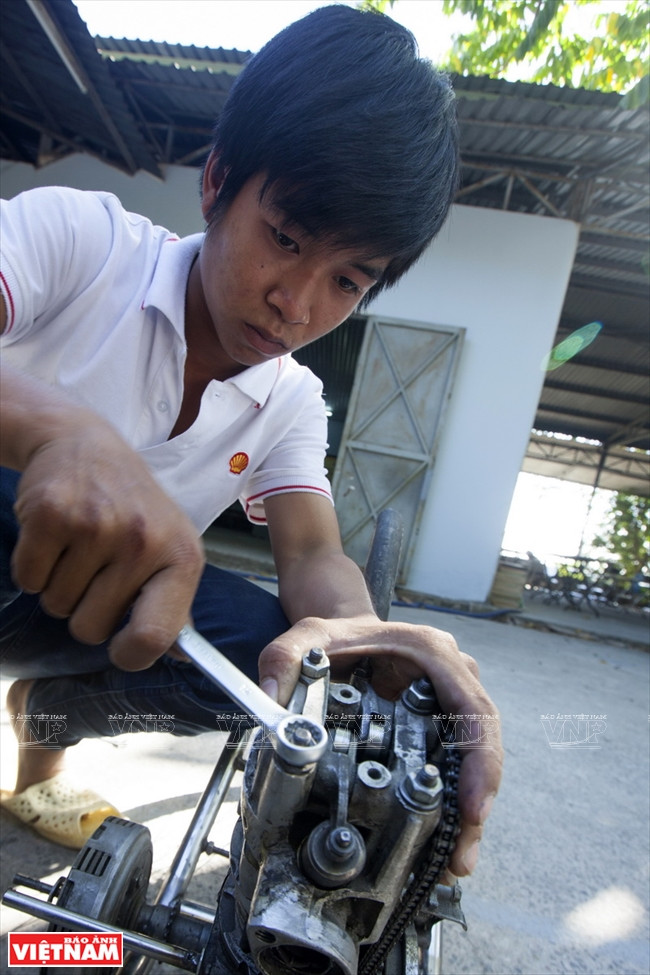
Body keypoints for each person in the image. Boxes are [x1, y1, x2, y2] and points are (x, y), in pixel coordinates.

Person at [0, 4, 501, 876]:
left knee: (283, 651)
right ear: (218, 179)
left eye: (346, 278)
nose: (298, 304)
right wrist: (55, 429)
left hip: (80, 608)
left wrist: (372, 636)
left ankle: (43, 740)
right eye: (286, 238)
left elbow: (313, 553)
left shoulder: (292, 402)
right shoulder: (77, 242)